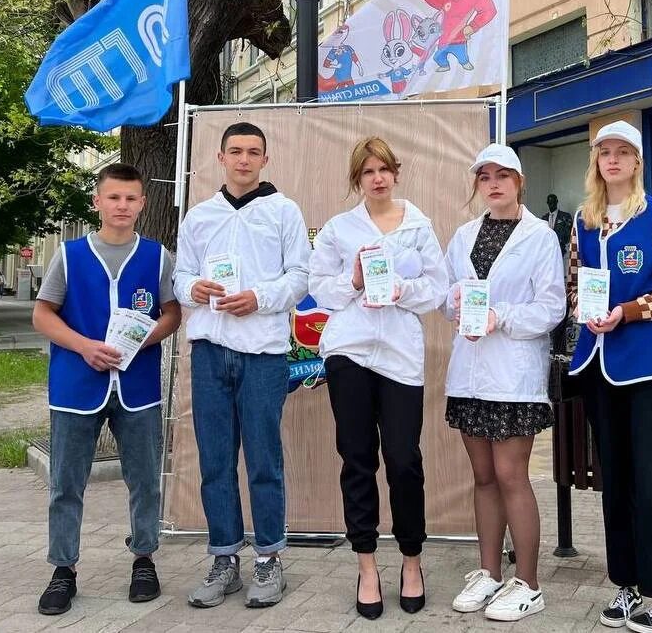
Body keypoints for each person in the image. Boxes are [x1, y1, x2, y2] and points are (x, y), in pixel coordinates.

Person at [566, 121, 652, 632]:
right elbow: (576, 284)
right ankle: (628, 585)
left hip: (648, 367)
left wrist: (630, 310)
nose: (614, 160)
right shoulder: (584, 220)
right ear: (596, 161)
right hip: (599, 365)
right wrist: (588, 311)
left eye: (624, 152)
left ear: (637, 162)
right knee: (617, 483)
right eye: (606, 152)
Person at [31, 163, 181, 616]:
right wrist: (83, 347)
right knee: (66, 483)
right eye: (113, 197)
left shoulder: (157, 256)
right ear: (97, 202)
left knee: (143, 479)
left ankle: (144, 558)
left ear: (142, 204)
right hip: (77, 385)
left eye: (131, 198)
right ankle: (63, 569)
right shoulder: (70, 254)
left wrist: (144, 337)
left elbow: (172, 313)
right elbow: (42, 315)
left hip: (137, 386)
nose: (122, 206)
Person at [308, 136, 447, 619]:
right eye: (368, 172)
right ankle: (367, 565)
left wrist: (401, 289)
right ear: (357, 179)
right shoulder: (339, 229)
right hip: (348, 350)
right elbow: (317, 286)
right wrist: (354, 281)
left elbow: (437, 288)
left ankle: (412, 561)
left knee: (404, 459)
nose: (378, 178)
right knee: (357, 456)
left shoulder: (418, 225)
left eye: (384, 169)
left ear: (396, 172)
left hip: (401, 356)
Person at [174, 122, 311, 611]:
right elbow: (180, 275)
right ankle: (224, 558)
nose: (244, 160)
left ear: (265, 160)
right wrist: (195, 289)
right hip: (210, 350)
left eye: (254, 152)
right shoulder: (200, 216)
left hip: (263, 353)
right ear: (220, 157)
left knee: (263, 461)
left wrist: (261, 297)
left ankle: (270, 558)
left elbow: (300, 276)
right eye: (236, 151)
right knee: (214, 462)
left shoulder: (282, 211)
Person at [443, 144, 565, 622]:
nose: (493, 184)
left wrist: (501, 317)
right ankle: (489, 572)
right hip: (470, 372)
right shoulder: (462, 235)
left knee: (512, 475)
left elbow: (551, 306)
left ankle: (529, 583)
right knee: (483, 477)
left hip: (513, 375)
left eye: (503, 176)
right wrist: (455, 302)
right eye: (484, 177)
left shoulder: (539, 237)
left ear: (519, 181)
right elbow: (448, 298)